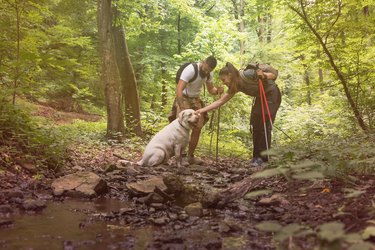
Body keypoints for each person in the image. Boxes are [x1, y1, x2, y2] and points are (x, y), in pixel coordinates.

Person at [197, 62, 281, 167]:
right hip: (260, 97)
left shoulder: (247, 74)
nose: (223, 83)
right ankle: (256, 157)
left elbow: (273, 75)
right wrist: (201, 110)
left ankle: (264, 159)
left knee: (263, 125)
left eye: (224, 80)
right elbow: (219, 102)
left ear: (230, 75)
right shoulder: (235, 86)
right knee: (255, 125)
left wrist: (263, 76)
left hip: (272, 95)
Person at [171, 56, 224, 165]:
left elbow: (210, 89)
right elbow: (179, 89)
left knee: (198, 126)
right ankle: (178, 156)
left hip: (195, 99)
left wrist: (217, 90)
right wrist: (181, 108)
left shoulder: (209, 74)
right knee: (181, 127)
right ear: (203, 62)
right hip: (184, 97)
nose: (206, 71)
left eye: (209, 70)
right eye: (205, 69)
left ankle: (190, 156)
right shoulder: (190, 70)